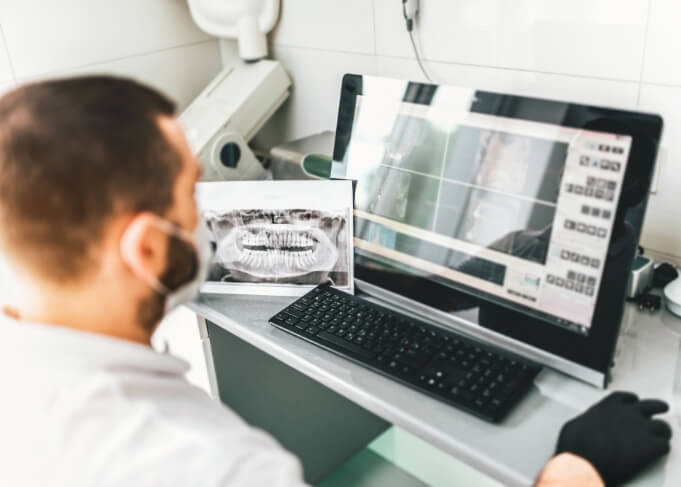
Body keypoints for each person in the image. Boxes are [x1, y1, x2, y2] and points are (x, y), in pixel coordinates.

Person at [0, 77, 671, 487]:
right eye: (192, 189)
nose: (209, 204)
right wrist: (572, 470)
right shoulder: (204, 463)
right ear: (149, 245)